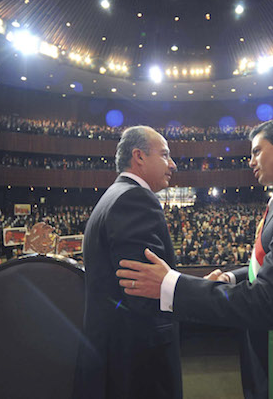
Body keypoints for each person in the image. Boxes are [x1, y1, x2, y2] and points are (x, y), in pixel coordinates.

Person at [117, 119, 273, 398]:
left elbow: (266, 303)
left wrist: (171, 285)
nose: (251, 161)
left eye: (257, 151)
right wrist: (231, 277)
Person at [78, 126, 181, 399]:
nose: (172, 164)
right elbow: (144, 291)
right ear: (139, 156)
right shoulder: (135, 198)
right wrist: (189, 291)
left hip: (116, 356)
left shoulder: (114, 194)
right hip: (138, 364)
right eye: (165, 155)